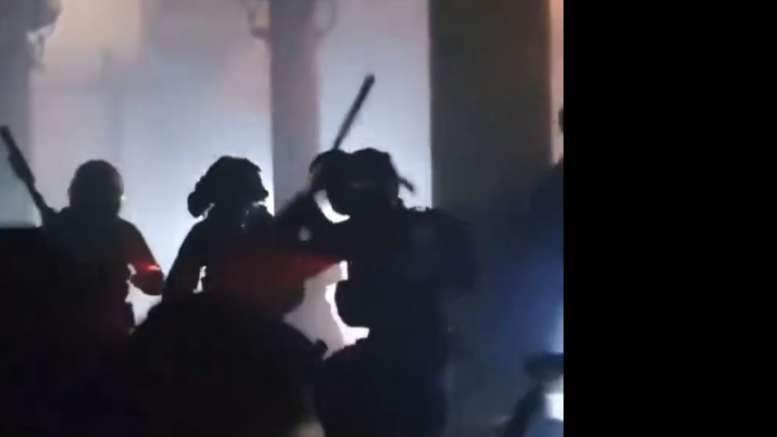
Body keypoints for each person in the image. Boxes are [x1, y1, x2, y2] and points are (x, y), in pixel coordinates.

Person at [277, 148, 477, 437]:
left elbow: (294, 240)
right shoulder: (419, 225)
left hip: (394, 362)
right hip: (422, 356)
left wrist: (307, 202)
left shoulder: (370, 230)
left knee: (331, 387)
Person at [44, 160, 163, 340]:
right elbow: (154, 281)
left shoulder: (56, 227)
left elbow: (154, 281)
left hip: (67, 330)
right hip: (102, 330)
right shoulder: (123, 231)